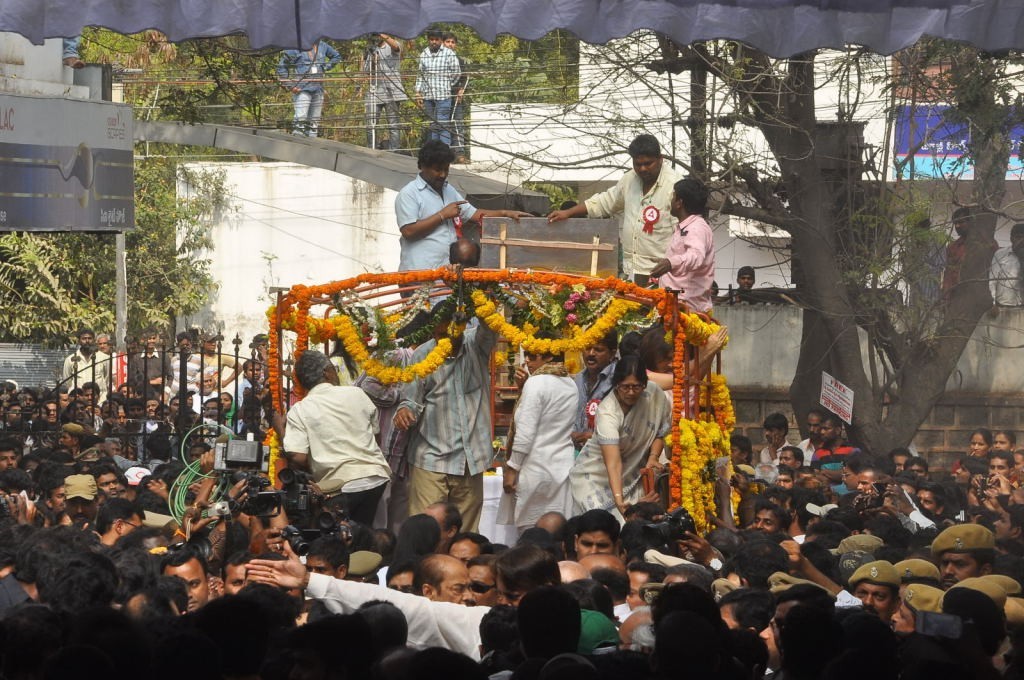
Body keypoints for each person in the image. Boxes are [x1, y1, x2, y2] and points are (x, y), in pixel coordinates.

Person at [393, 300, 496, 532]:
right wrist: (404, 411)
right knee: (425, 531)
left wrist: (479, 294)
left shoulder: (476, 345)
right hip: (431, 459)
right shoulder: (422, 354)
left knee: (466, 534)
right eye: (438, 335)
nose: (443, 341)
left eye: (449, 334)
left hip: (471, 461)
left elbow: (490, 326)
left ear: (461, 328)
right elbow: (410, 398)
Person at [547, 134, 682, 285]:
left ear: (660, 159)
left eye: (648, 163)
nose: (642, 169)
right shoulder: (629, 179)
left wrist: (673, 263)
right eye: (637, 164)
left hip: (664, 273)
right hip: (633, 270)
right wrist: (568, 212)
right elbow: (604, 201)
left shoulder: (675, 185)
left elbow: (681, 233)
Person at [281, 350, 392, 526]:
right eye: (334, 369)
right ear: (327, 372)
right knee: (370, 538)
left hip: (339, 486)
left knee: (343, 542)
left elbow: (297, 456)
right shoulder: (356, 393)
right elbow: (376, 436)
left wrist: (281, 430)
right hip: (376, 478)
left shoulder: (300, 409)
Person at [395, 141, 531, 272]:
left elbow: (474, 214)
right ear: (423, 166)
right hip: (419, 273)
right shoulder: (409, 193)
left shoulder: (449, 190)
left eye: (446, 169)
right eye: (437, 170)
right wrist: (442, 215)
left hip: (447, 273)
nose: (443, 175)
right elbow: (408, 231)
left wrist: (505, 213)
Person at [570, 355, 669, 520]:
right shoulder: (607, 412)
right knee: (603, 525)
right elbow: (613, 463)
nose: (631, 392)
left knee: (639, 526)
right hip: (596, 477)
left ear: (645, 384)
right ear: (616, 385)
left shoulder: (653, 394)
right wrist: (619, 501)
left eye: (637, 387)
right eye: (625, 387)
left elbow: (660, 431)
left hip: (633, 476)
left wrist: (653, 457)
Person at [499, 344, 578, 534]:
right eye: (527, 355)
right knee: (557, 530)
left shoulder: (536, 383)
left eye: (533, 356)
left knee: (531, 535)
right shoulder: (570, 383)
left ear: (549, 357)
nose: (527, 360)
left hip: (534, 468)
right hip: (561, 468)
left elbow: (525, 433)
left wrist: (512, 469)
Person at [649, 177, 715, 313]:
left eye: (673, 196)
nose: (670, 200)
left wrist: (670, 263)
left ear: (679, 203)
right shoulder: (686, 227)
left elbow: (696, 256)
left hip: (687, 311)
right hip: (674, 306)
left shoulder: (697, 228)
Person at [276, 39, 341, 138]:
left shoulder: (322, 45)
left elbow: (336, 56)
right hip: (302, 89)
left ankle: (312, 148)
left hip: (318, 88)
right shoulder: (295, 47)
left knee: (314, 122)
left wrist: (325, 67)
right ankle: (298, 146)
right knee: (300, 120)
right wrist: (290, 85)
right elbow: (281, 66)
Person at [570, 330, 618, 452]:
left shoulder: (619, 380)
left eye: (598, 350)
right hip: (576, 455)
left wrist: (593, 437)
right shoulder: (578, 379)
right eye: (587, 348)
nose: (591, 353)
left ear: (612, 354)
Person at [361, 33, 407, 151]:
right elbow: (365, 72)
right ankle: (372, 149)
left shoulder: (391, 45)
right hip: (375, 91)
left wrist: (382, 33)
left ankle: (394, 150)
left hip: (392, 91)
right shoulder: (371, 49)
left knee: (393, 124)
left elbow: (397, 48)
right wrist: (371, 60)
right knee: (371, 124)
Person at [414, 31, 461, 145]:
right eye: (431, 39)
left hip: (443, 95)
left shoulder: (449, 53)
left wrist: (447, 85)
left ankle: (444, 153)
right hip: (428, 95)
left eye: (436, 39)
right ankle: (435, 154)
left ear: (440, 40)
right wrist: (418, 92)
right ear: (428, 40)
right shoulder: (424, 53)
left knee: (443, 124)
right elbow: (421, 74)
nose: (434, 42)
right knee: (433, 125)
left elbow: (457, 73)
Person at [61, 328, 111, 400]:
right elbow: (67, 382)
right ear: (79, 341)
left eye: (89, 338)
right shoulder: (70, 359)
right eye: (84, 338)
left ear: (94, 340)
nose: (87, 341)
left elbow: (107, 378)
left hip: (99, 401)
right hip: (79, 401)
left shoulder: (104, 358)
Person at [443, 33, 469, 163]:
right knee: (442, 124)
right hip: (441, 97)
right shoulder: (438, 59)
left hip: (455, 96)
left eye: (452, 42)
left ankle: (459, 153)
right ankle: (445, 154)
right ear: (443, 43)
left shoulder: (460, 60)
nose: (450, 44)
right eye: (447, 42)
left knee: (457, 123)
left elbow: (465, 77)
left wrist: (461, 91)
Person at [989, 223, 1024, 307]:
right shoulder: (1000, 254)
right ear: (1011, 238)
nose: (1022, 241)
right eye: (1018, 237)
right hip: (1002, 306)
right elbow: (992, 281)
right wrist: (993, 304)